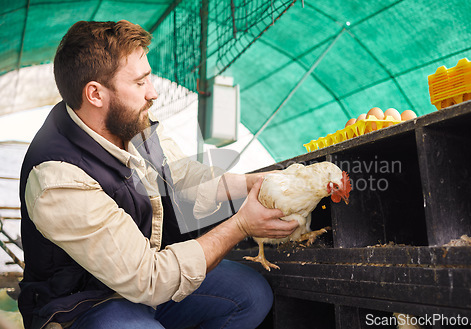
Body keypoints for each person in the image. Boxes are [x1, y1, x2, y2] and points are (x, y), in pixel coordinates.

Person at [18, 20, 299, 329]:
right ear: (96, 94)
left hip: (144, 283)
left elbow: (179, 175)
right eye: (140, 83)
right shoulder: (58, 178)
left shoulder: (131, 124)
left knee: (251, 293)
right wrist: (241, 224)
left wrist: (247, 184)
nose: (153, 94)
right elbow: (148, 279)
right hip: (84, 305)